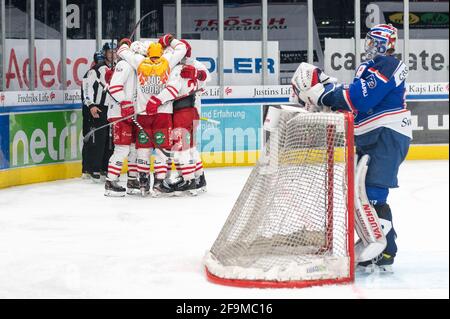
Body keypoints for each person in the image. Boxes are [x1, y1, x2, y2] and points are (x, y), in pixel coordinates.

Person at [291, 24, 411, 272]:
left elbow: (360, 98)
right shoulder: (368, 68)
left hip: (387, 134)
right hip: (373, 134)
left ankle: (383, 250)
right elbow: (355, 104)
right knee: (363, 196)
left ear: (384, 43)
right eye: (368, 42)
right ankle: (382, 247)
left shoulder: (389, 64)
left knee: (371, 194)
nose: (369, 47)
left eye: (373, 42)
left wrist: (326, 92)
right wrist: (327, 96)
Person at [117, 34, 188, 196]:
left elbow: (122, 51)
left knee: (143, 150)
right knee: (162, 151)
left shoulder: (139, 61)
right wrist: (169, 40)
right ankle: (158, 183)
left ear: (148, 53)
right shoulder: (168, 60)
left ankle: (143, 184)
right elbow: (182, 48)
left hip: (143, 114)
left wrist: (126, 43)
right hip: (162, 113)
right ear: (161, 53)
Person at [148, 39, 210, 195]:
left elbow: (173, 89)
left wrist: (156, 100)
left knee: (181, 148)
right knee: (190, 148)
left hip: (182, 112)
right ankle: (198, 178)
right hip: (191, 110)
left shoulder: (178, 68)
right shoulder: (188, 65)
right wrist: (198, 75)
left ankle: (190, 180)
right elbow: (204, 79)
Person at [103, 41, 147, 196]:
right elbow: (114, 88)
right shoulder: (125, 65)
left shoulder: (136, 68)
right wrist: (125, 103)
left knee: (135, 147)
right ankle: (110, 182)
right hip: (120, 113)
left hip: (131, 113)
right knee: (122, 148)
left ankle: (132, 179)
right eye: (142, 55)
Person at [81, 51, 104, 179]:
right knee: (89, 138)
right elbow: (86, 95)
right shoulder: (90, 74)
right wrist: (90, 107)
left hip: (96, 110)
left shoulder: (101, 73)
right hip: (89, 111)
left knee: (99, 140)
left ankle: (97, 167)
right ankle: (86, 168)